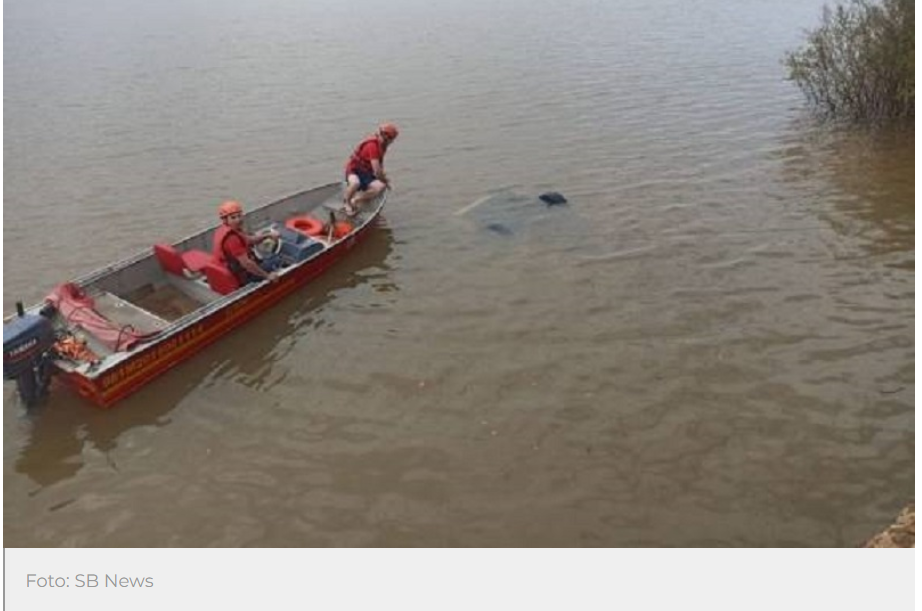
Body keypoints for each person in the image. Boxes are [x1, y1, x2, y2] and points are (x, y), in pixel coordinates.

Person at [212, 200, 280, 285]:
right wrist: (267, 276)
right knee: (276, 259)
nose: (238, 220)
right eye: (233, 218)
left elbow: (250, 240)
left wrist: (267, 235)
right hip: (243, 276)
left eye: (239, 216)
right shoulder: (232, 239)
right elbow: (247, 264)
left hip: (237, 268)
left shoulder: (230, 230)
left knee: (265, 258)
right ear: (225, 220)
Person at [342, 122, 399, 216]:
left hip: (366, 173)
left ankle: (356, 199)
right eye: (392, 139)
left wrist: (384, 180)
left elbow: (380, 165)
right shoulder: (372, 146)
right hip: (354, 171)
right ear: (386, 137)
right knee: (355, 183)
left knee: (380, 187)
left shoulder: (382, 146)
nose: (392, 142)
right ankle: (346, 202)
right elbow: (377, 171)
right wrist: (385, 181)